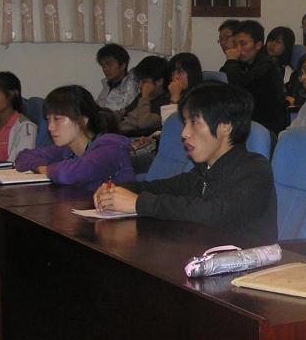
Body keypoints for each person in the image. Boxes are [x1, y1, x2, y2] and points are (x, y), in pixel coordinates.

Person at [93, 83, 277, 247]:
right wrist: (116, 190)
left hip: (248, 267)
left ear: (225, 127)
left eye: (194, 122)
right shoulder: (203, 172)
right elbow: (160, 188)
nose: (184, 133)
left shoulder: (255, 169)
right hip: (204, 256)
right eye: (185, 123)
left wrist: (139, 203)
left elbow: (215, 214)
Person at [15, 86, 134, 190]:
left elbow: (71, 174)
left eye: (57, 119)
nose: (50, 127)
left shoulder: (110, 147)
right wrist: (43, 168)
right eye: (48, 120)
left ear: (83, 120)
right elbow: (23, 157)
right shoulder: (67, 149)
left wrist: (46, 170)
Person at [221, 20, 288, 133]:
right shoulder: (244, 63)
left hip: (267, 128)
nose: (238, 49)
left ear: (258, 45)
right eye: (235, 44)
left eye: (243, 44)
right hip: (249, 122)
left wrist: (231, 62)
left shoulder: (267, 66)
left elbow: (239, 91)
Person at [119, 55, 172, 136]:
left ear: (159, 81)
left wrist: (145, 97)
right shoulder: (141, 96)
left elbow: (143, 123)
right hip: (119, 131)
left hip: (132, 136)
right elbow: (124, 112)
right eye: (139, 81)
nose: (140, 85)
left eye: (144, 82)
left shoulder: (165, 102)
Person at [95, 43, 139, 113]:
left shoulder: (131, 88)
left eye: (109, 64)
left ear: (122, 65)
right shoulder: (107, 86)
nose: (105, 69)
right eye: (103, 65)